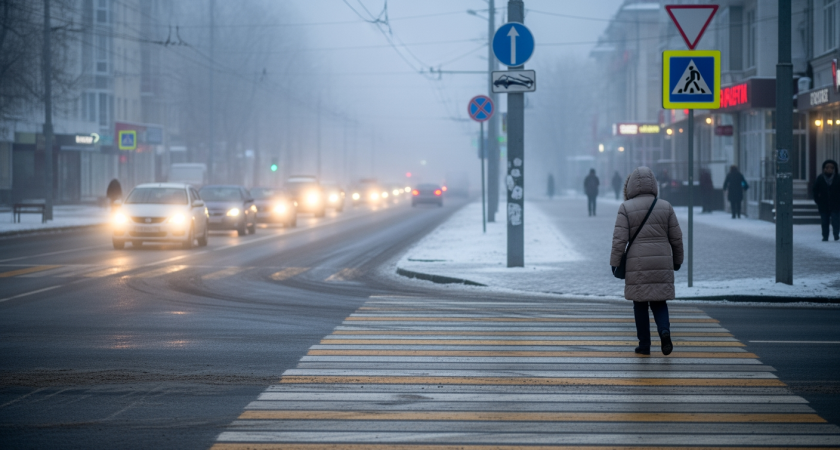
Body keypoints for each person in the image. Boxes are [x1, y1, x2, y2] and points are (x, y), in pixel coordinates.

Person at [610, 167, 684, 356]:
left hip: (638, 264)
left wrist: (615, 262)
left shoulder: (626, 208)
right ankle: (664, 332)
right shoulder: (665, 206)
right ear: (654, 184)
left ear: (631, 186)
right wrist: (678, 260)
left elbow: (619, 239)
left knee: (640, 304)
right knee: (659, 302)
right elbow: (676, 237)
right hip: (662, 262)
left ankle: (644, 345)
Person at [814, 159, 840, 241]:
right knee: (824, 221)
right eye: (827, 167)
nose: (829, 169)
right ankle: (825, 236)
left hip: (836, 204)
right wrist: (818, 200)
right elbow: (815, 190)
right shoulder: (820, 178)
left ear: (834, 169)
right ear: (824, 168)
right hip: (823, 204)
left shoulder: (838, 178)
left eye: (831, 167)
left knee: (836, 221)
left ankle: (836, 235)